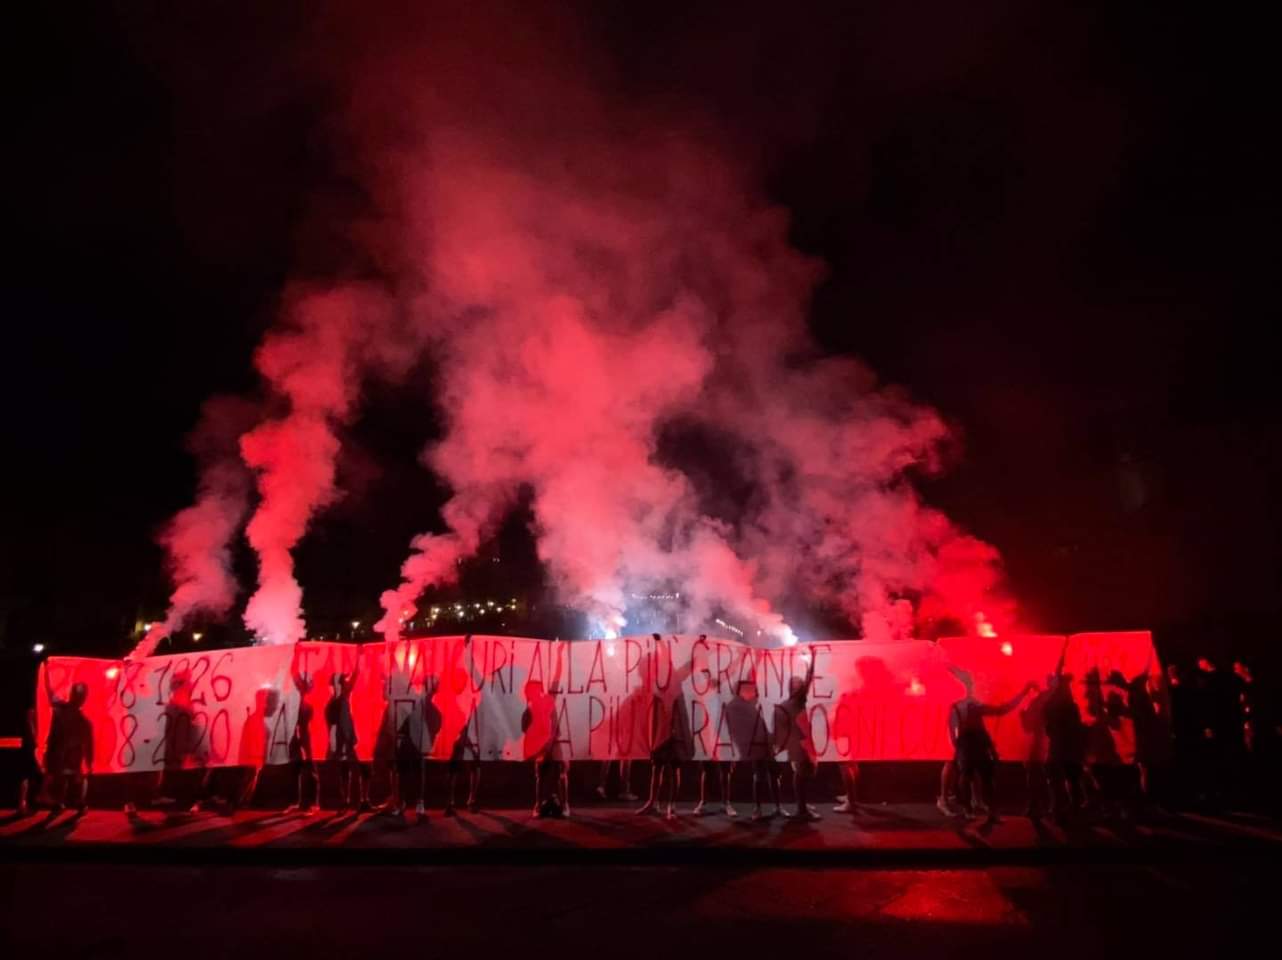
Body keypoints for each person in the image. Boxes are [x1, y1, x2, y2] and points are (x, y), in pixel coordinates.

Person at [947, 666, 1036, 825]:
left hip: (969, 746)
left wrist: (958, 747)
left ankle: (978, 811)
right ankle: (984, 811)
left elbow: (954, 731)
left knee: (973, 778)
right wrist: (1023, 692)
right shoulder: (969, 705)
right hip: (972, 746)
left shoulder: (961, 706)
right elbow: (1002, 710)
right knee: (979, 779)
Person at [774, 649, 820, 821]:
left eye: (799, 681)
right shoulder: (797, 700)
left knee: (801, 774)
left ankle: (802, 806)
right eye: (796, 682)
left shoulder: (789, 703)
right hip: (799, 743)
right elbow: (810, 679)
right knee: (802, 774)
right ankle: (802, 810)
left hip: (798, 743)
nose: (800, 683)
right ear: (793, 687)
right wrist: (812, 659)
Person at [43, 676, 94, 816]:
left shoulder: (73, 716)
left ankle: (65, 803)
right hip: (66, 754)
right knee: (69, 778)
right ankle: (72, 803)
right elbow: (87, 742)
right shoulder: (78, 718)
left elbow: (87, 741)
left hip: (66, 754)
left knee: (68, 778)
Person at [326, 660, 365, 812]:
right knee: (345, 770)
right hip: (342, 739)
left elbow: (354, 677)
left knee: (354, 768)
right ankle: (349, 801)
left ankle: (358, 800)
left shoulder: (341, 698)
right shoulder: (336, 701)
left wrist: (356, 658)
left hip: (346, 739)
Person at [285, 669, 319, 815]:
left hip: (306, 739)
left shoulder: (308, 703)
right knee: (295, 770)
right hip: (295, 739)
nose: (297, 686)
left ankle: (312, 804)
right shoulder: (294, 701)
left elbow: (309, 722)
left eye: (300, 684)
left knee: (310, 771)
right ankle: (298, 802)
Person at [16, 705, 41, 817]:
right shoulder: (28, 721)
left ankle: (23, 803)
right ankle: (23, 804)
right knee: (27, 775)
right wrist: (34, 740)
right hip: (27, 746)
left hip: (25, 745)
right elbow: (29, 721)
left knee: (25, 775)